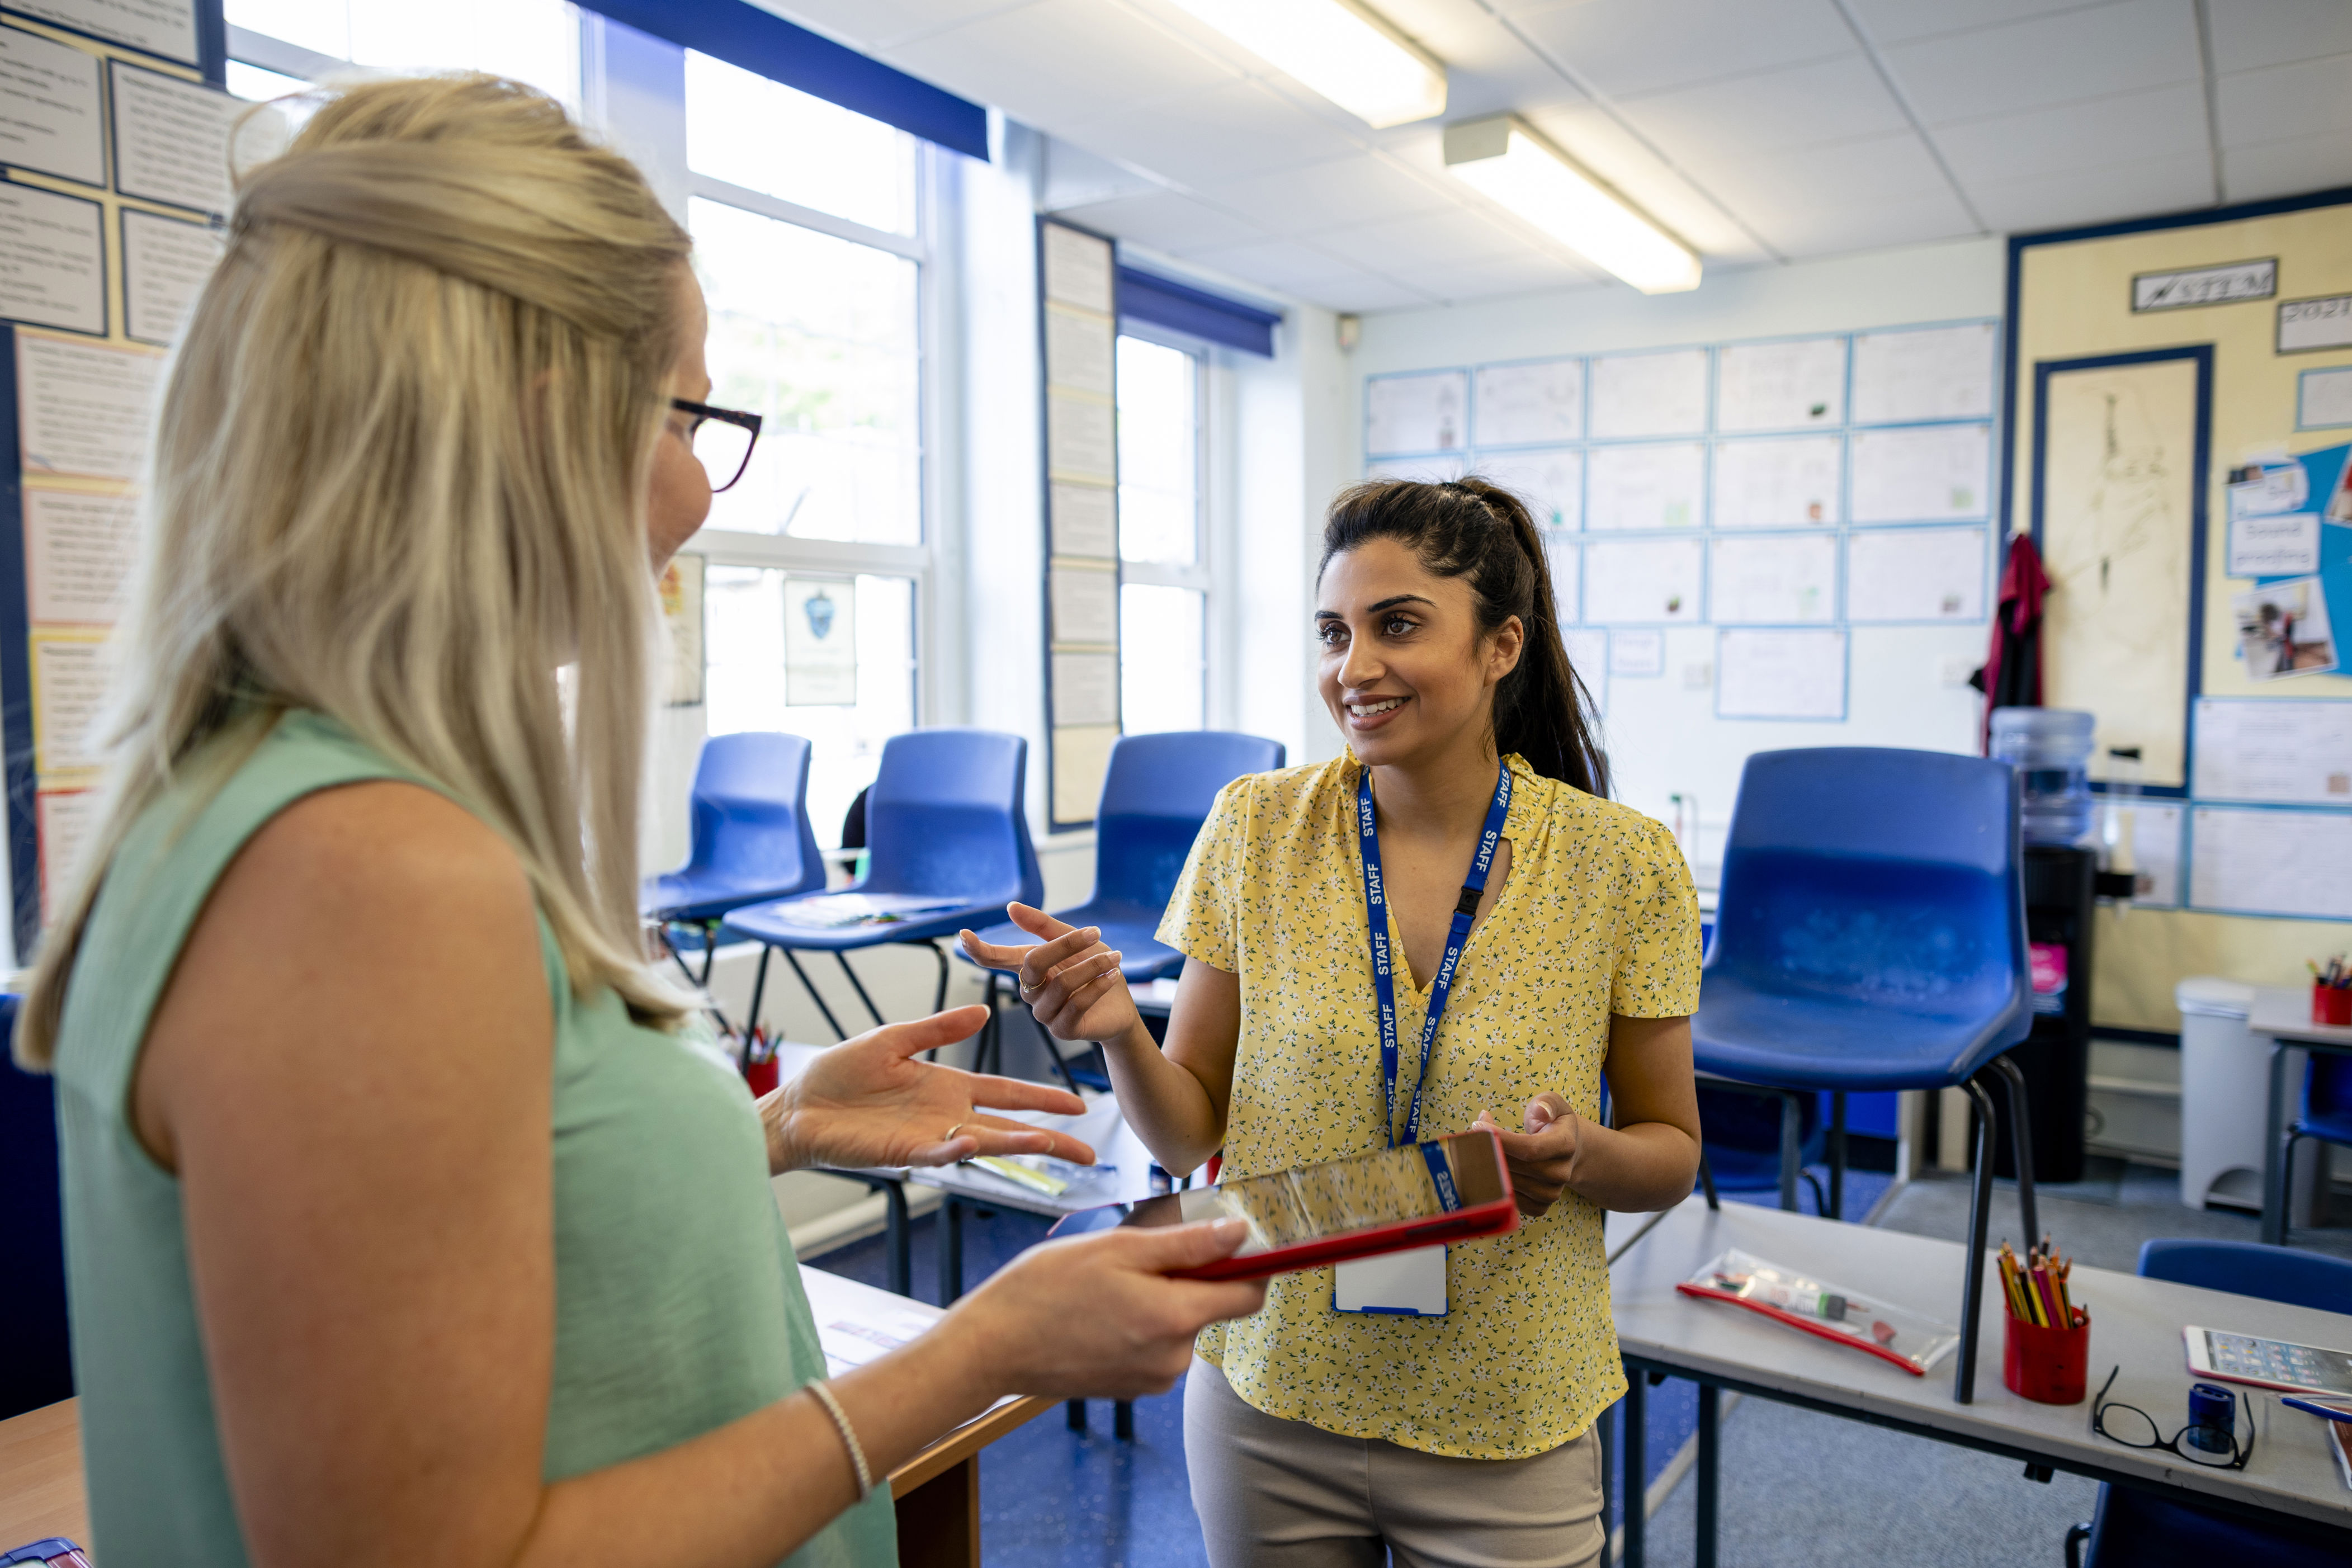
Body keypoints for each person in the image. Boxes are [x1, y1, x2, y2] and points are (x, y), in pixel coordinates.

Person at [14, 76, 1263, 1568]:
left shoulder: (272, 804)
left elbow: (452, 1251)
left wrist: (774, 1127)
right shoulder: (362, 873)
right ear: (544, 417)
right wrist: (976, 1347)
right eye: (690, 411)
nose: (697, 485)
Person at [965, 476, 1704, 1567]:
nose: (1353, 669)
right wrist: (1120, 1028)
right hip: (1273, 1386)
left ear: (1502, 646)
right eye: (1333, 632)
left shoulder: (1620, 861)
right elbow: (1185, 1136)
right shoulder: (1256, 827)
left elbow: (1671, 1150)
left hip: (1507, 1409)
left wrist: (1582, 1152)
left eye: (1396, 625)